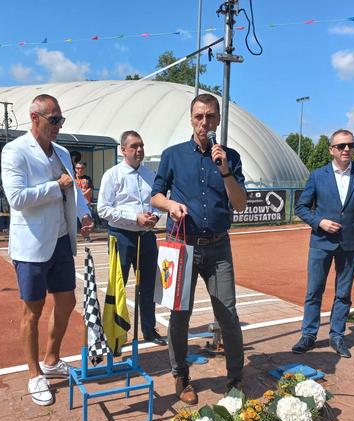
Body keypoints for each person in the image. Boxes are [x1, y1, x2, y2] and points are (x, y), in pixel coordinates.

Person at [151, 93, 247, 405]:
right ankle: (181, 376)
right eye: (198, 116)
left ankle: (235, 377)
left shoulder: (229, 157)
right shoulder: (173, 155)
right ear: (191, 119)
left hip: (218, 247)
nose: (204, 122)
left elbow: (240, 203)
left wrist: (225, 171)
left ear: (218, 119)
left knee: (228, 313)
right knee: (180, 314)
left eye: (210, 116)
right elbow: (155, 196)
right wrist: (170, 204)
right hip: (183, 247)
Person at [1, 94, 94, 406]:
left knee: (67, 301)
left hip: (61, 240)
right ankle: (34, 373)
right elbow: (16, 198)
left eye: (61, 120)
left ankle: (52, 358)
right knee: (32, 310)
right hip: (31, 246)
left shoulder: (63, 152)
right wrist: (57, 187)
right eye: (53, 120)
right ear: (34, 117)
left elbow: (74, 190)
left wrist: (84, 214)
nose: (58, 125)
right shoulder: (15, 151)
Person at [291, 129, 354, 359]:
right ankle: (308, 335)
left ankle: (337, 335)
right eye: (341, 146)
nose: (347, 149)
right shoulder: (318, 176)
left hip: (350, 243)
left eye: (350, 145)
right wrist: (319, 222)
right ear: (331, 150)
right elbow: (301, 207)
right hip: (321, 242)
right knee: (314, 291)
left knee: (343, 293)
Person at [97, 130, 166, 346]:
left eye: (142, 146)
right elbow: (103, 210)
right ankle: (114, 332)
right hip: (121, 236)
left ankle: (149, 329)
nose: (139, 150)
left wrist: (155, 216)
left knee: (148, 286)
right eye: (134, 146)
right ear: (123, 150)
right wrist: (134, 218)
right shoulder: (113, 175)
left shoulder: (151, 175)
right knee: (118, 284)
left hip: (146, 237)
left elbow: (159, 203)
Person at [74, 161, 95, 242]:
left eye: (82, 168)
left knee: (86, 221)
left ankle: (86, 237)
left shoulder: (87, 178)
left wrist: (80, 195)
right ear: (75, 169)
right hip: (74, 204)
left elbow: (90, 189)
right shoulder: (72, 178)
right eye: (78, 168)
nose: (80, 170)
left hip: (86, 203)